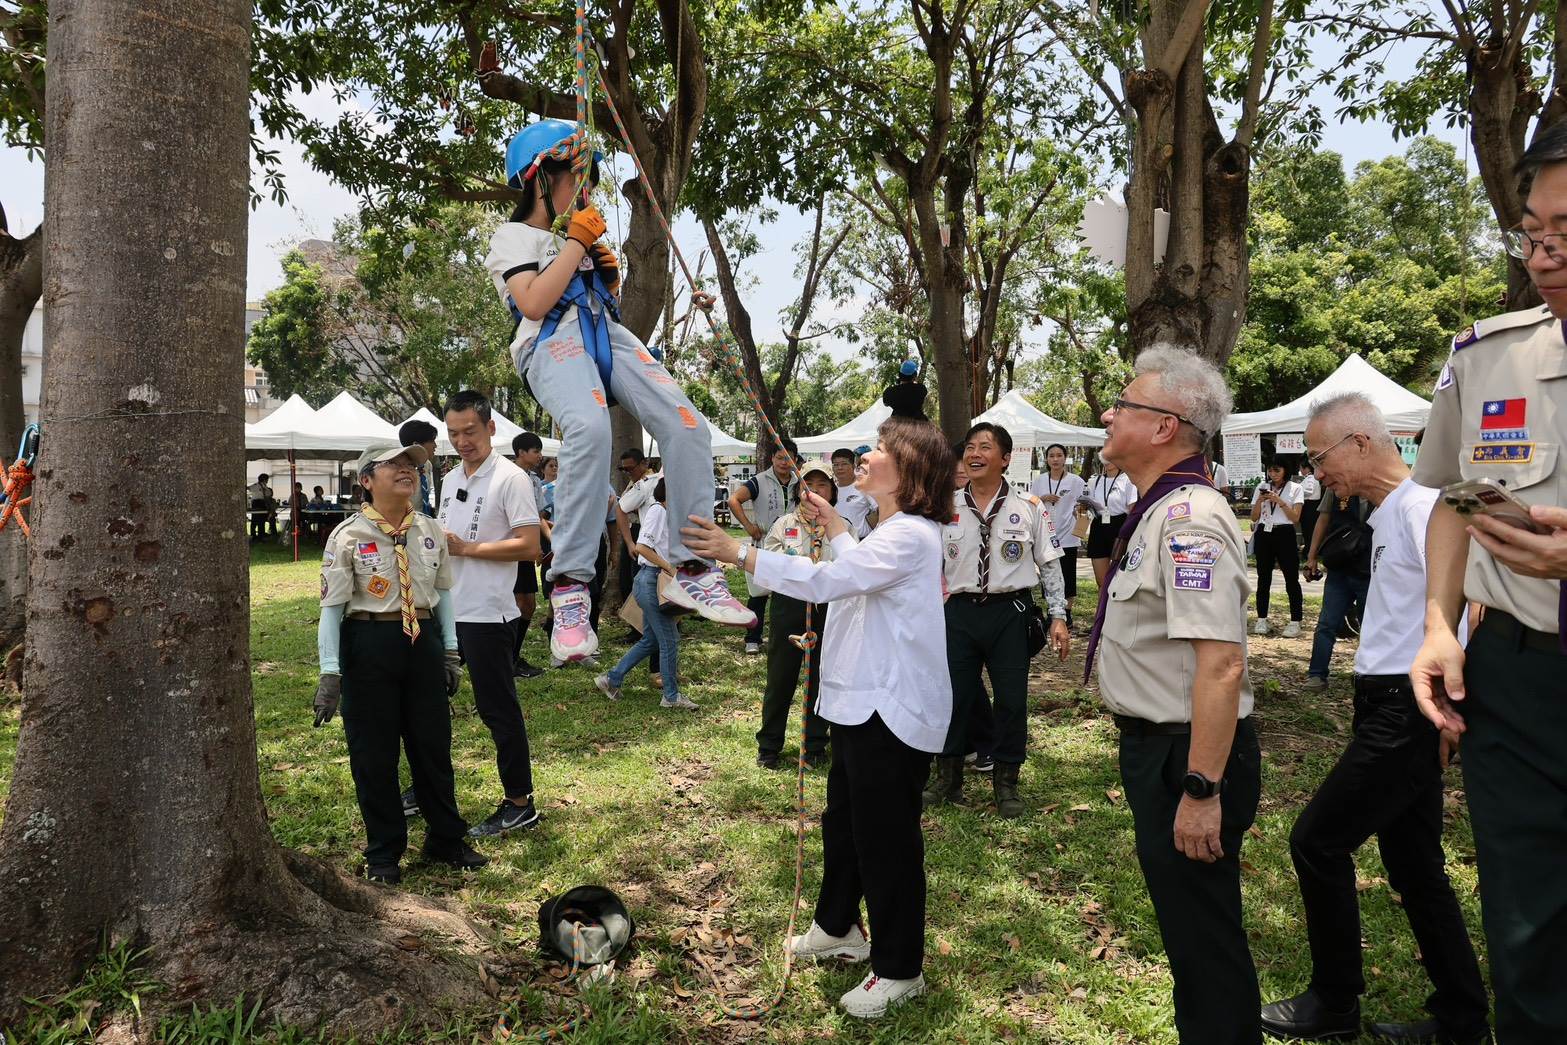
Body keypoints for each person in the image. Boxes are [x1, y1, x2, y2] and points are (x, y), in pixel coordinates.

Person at [681, 413, 954, 1020]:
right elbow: (858, 568)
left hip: (891, 710)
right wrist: (835, 525)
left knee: (886, 841)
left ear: (909, 469)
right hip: (859, 704)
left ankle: (900, 968)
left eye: (879, 448)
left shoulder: (912, 534)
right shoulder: (887, 531)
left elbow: (834, 580)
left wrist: (739, 553)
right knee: (845, 824)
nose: (866, 455)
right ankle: (837, 927)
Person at [1259, 392, 1489, 1045]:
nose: (1316, 472)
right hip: (1384, 701)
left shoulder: (1424, 505)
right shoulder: (1391, 511)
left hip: (1407, 705)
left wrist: (1448, 701)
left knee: (1317, 840)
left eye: (1318, 456)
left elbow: (1471, 604)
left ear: (1360, 442)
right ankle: (1461, 1020)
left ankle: (1335, 1002)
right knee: (1414, 864)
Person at [484, 119, 752, 669]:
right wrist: (577, 244)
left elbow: (598, 300)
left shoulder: (574, 238)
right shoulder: (514, 238)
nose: (584, 191)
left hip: (605, 334)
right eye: (576, 178)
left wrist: (601, 274)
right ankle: (570, 588)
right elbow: (533, 303)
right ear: (541, 177)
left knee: (688, 426)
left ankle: (694, 566)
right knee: (589, 429)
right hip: (550, 340)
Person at [1409, 123, 1567, 1042]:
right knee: (1525, 935)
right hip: (1515, 680)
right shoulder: (1485, 357)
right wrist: (1438, 624)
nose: (1543, 256)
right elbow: (1450, 501)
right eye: (1532, 231)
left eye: (1566, 234)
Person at [1084, 345, 1262, 1045]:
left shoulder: (1189, 517)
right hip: (1159, 749)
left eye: (1122, 404)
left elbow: (1220, 664)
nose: (1108, 414)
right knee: (1191, 934)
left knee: (1204, 938)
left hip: (1185, 756)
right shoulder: (1157, 510)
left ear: (1164, 426)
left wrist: (1200, 788)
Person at [314, 445, 486, 884]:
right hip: (369, 642)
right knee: (374, 754)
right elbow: (332, 609)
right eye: (394, 464)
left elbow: (443, 595)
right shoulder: (347, 536)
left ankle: (445, 838)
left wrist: (450, 651)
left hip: (423, 641)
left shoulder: (430, 530)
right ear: (366, 480)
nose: (407, 470)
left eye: (411, 465)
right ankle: (384, 852)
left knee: (433, 747)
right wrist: (330, 672)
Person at [929, 422, 1070, 817]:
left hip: (1010, 613)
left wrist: (1058, 616)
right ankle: (947, 779)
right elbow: (928, 566)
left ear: (1005, 459)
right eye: (970, 447)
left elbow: (1050, 565)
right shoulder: (945, 507)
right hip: (958, 613)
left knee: (1011, 700)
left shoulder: (1029, 506)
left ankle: (1006, 783)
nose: (974, 454)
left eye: (985, 447)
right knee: (952, 698)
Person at [435, 390, 544, 838]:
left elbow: (530, 546)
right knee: (427, 703)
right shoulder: (448, 479)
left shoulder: (511, 478)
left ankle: (519, 802)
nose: (463, 441)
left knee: (497, 708)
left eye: (471, 432)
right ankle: (429, 790)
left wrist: (467, 548)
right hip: (445, 609)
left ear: (491, 428)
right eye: (454, 433)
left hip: (487, 613)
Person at [753, 461, 849, 769]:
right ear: (798, 491)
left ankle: (815, 743)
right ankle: (769, 745)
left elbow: (852, 565)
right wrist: (799, 569)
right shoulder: (783, 524)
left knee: (821, 677)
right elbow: (769, 562)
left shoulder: (842, 526)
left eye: (822, 485)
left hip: (829, 607)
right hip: (789, 604)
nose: (815, 490)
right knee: (780, 677)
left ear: (832, 491)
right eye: (809, 484)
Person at [595, 478, 696, 709]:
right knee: (669, 640)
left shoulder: (667, 514)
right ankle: (671, 697)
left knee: (652, 639)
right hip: (652, 582)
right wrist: (668, 567)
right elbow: (642, 547)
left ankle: (611, 679)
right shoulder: (657, 511)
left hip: (653, 581)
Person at [729, 437, 801, 655]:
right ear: (772, 458)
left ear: (794, 459)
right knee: (758, 594)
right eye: (779, 458)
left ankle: (785, 638)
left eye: (788, 458)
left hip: (793, 545)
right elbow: (734, 500)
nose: (784, 462)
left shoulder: (800, 481)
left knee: (788, 594)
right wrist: (749, 526)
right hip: (764, 544)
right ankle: (752, 638)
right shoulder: (759, 481)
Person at [1302, 490, 1373, 691]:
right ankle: (1317, 674)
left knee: (1370, 626)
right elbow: (1323, 519)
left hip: (1369, 568)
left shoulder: (1383, 486)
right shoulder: (1336, 487)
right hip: (1339, 565)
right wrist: (1312, 556)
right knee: (1326, 623)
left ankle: (1367, 675)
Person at [1029, 444, 1085, 625]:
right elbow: (1030, 504)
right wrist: (1043, 498)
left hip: (1068, 535)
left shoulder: (1076, 481)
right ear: (1046, 459)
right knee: (1049, 575)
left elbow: (1084, 506)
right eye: (1051, 455)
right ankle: (1052, 612)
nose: (1055, 459)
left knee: (1068, 575)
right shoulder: (1039, 481)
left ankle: (1067, 613)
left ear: (1065, 458)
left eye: (1059, 455)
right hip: (1046, 536)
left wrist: (1081, 520)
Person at [1249, 460, 1305, 637]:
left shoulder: (1296, 488)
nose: (1273, 474)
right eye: (1270, 470)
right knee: (1263, 577)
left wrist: (1279, 501)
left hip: (1285, 533)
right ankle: (1261, 619)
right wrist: (1260, 500)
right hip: (1264, 533)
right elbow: (1253, 517)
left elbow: (1295, 518)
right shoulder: (1262, 486)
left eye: (1277, 470)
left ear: (1285, 470)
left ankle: (1295, 620)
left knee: (1291, 577)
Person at [510, 432, 549, 678]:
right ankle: (508, 658)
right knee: (517, 604)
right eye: (536, 451)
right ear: (521, 452)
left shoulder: (534, 480)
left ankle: (513, 655)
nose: (540, 456)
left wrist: (543, 543)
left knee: (528, 605)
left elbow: (538, 516)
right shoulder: (507, 476)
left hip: (526, 548)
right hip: (510, 548)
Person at [1084, 460, 1136, 587]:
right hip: (1098, 527)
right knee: (1101, 581)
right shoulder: (1094, 481)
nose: (1107, 461)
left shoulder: (1128, 480)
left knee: (1118, 578)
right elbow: (1087, 506)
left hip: (1120, 527)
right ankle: (1102, 600)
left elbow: (1132, 510)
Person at [399, 418, 440, 516]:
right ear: (416, 445)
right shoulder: (399, 470)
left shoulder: (427, 465)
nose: (435, 446)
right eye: (432, 441)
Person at [831, 447, 875, 538]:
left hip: (861, 539)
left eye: (844, 464)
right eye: (836, 465)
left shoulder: (863, 485)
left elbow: (881, 510)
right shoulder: (831, 489)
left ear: (853, 465)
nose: (840, 468)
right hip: (837, 539)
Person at [1297, 460, 1322, 551]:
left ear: (1307, 468)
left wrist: (1297, 491)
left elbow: (1308, 491)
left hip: (1310, 506)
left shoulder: (1310, 478)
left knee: (1308, 529)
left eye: (1301, 468)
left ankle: (1309, 549)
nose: (1300, 470)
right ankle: (1309, 548)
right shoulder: (1309, 478)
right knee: (1309, 529)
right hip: (1311, 506)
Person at [248, 472, 276, 541]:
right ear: (264, 479)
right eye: (267, 480)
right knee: (254, 519)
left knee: (262, 520)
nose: (267, 481)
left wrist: (264, 487)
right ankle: (253, 535)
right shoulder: (255, 485)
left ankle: (261, 535)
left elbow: (269, 493)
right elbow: (248, 488)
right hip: (256, 503)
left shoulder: (265, 487)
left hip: (263, 503)